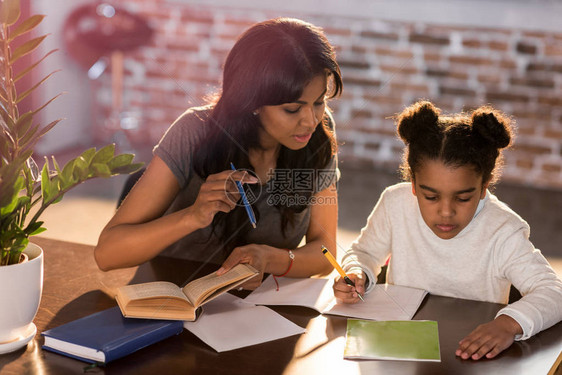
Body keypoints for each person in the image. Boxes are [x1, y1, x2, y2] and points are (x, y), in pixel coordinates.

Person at [94, 18, 342, 289]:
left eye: (319, 102)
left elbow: (326, 252)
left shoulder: (319, 132)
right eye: (292, 109)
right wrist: (192, 216)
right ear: (253, 101)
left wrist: (270, 258)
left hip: (260, 309)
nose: (310, 120)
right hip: (173, 296)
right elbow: (107, 254)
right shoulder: (194, 132)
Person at [333, 101, 562, 360]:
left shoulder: (503, 230)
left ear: (484, 186)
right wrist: (356, 271)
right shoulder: (395, 203)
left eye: (463, 198)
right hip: (401, 346)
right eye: (430, 196)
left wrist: (508, 324)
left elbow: (554, 292)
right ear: (414, 185)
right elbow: (363, 252)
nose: (445, 211)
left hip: (467, 352)